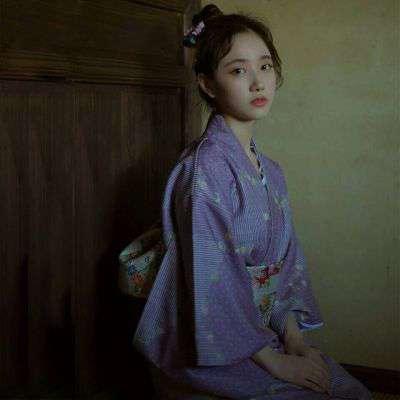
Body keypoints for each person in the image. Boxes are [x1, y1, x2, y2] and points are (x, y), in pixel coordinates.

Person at [132, 4, 372, 399]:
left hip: (261, 333)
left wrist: (294, 340)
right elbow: (212, 284)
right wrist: (276, 362)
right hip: (210, 340)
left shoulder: (271, 171)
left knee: (348, 391)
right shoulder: (204, 171)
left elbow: (286, 264)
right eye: (239, 71)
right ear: (208, 84)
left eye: (265, 66)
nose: (258, 82)